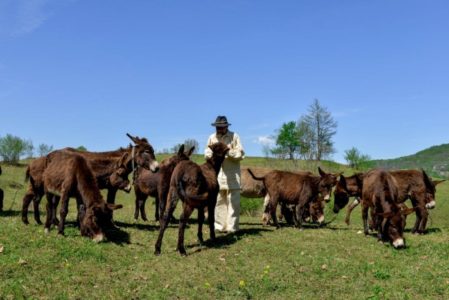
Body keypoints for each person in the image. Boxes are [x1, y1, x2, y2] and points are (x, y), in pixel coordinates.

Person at [205, 116, 245, 233]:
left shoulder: (234, 136)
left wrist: (228, 151)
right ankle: (219, 226)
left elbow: (241, 154)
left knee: (233, 203)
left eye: (221, 127)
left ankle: (232, 228)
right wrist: (214, 153)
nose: (218, 129)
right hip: (217, 176)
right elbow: (206, 153)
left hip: (232, 175)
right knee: (219, 201)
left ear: (226, 126)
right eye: (217, 127)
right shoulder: (212, 138)